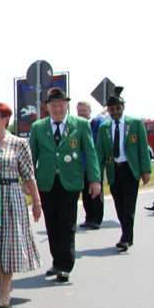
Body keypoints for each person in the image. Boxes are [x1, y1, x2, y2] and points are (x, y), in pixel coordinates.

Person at [29, 88, 101, 283]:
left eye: (61, 105)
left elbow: (90, 152)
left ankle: (65, 265)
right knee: (52, 223)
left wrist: (95, 179)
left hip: (71, 181)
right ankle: (57, 261)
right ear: (47, 107)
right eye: (53, 105)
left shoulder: (80, 125)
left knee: (67, 224)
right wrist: (28, 182)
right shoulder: (38, 127)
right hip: (47, 182)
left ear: (67, 106)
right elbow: (31, 156)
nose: (57, 109)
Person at [0, 103, 41, 308]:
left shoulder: (19, 143)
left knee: (9, 244)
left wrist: (36, 202)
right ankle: (1, 284)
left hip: (12, 196)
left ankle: (6, 290)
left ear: (5, 119)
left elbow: (29, 175)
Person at [94, 87, 151, 251]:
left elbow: (143, 148)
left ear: (122, 108)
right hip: (114, 171)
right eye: (112, 109)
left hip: (130, 170)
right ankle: (127, 235)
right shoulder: (104, 128)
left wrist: (146, 170)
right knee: (119, 206)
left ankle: (125, 238)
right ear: (108, 110)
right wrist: (96, 175)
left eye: (118, 108)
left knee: (128, 206)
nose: (115, 112)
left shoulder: (135, 123)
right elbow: (99, 153)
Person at [77, 101, 104, 229]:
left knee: (96, 193)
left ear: (89, 111)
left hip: (94, 165)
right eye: (79, 111)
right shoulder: (76, 125)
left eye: (84, 110)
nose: (81, 113)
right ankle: (89, 218)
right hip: (81, 165)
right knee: (85, 194)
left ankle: (97, 219)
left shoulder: (96, 122)